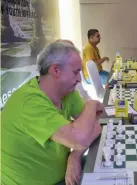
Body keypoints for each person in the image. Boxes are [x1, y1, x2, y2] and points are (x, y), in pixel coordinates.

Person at [1, 40, 104, 185]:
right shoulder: (30, 103)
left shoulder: (66, 92)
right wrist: (92, 105)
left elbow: (95, 126)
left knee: (114, 166)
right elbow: (80, 138)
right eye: (76, 72)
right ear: (55, 70)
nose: (79, 79)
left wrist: (75, 155)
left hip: (65, 174)